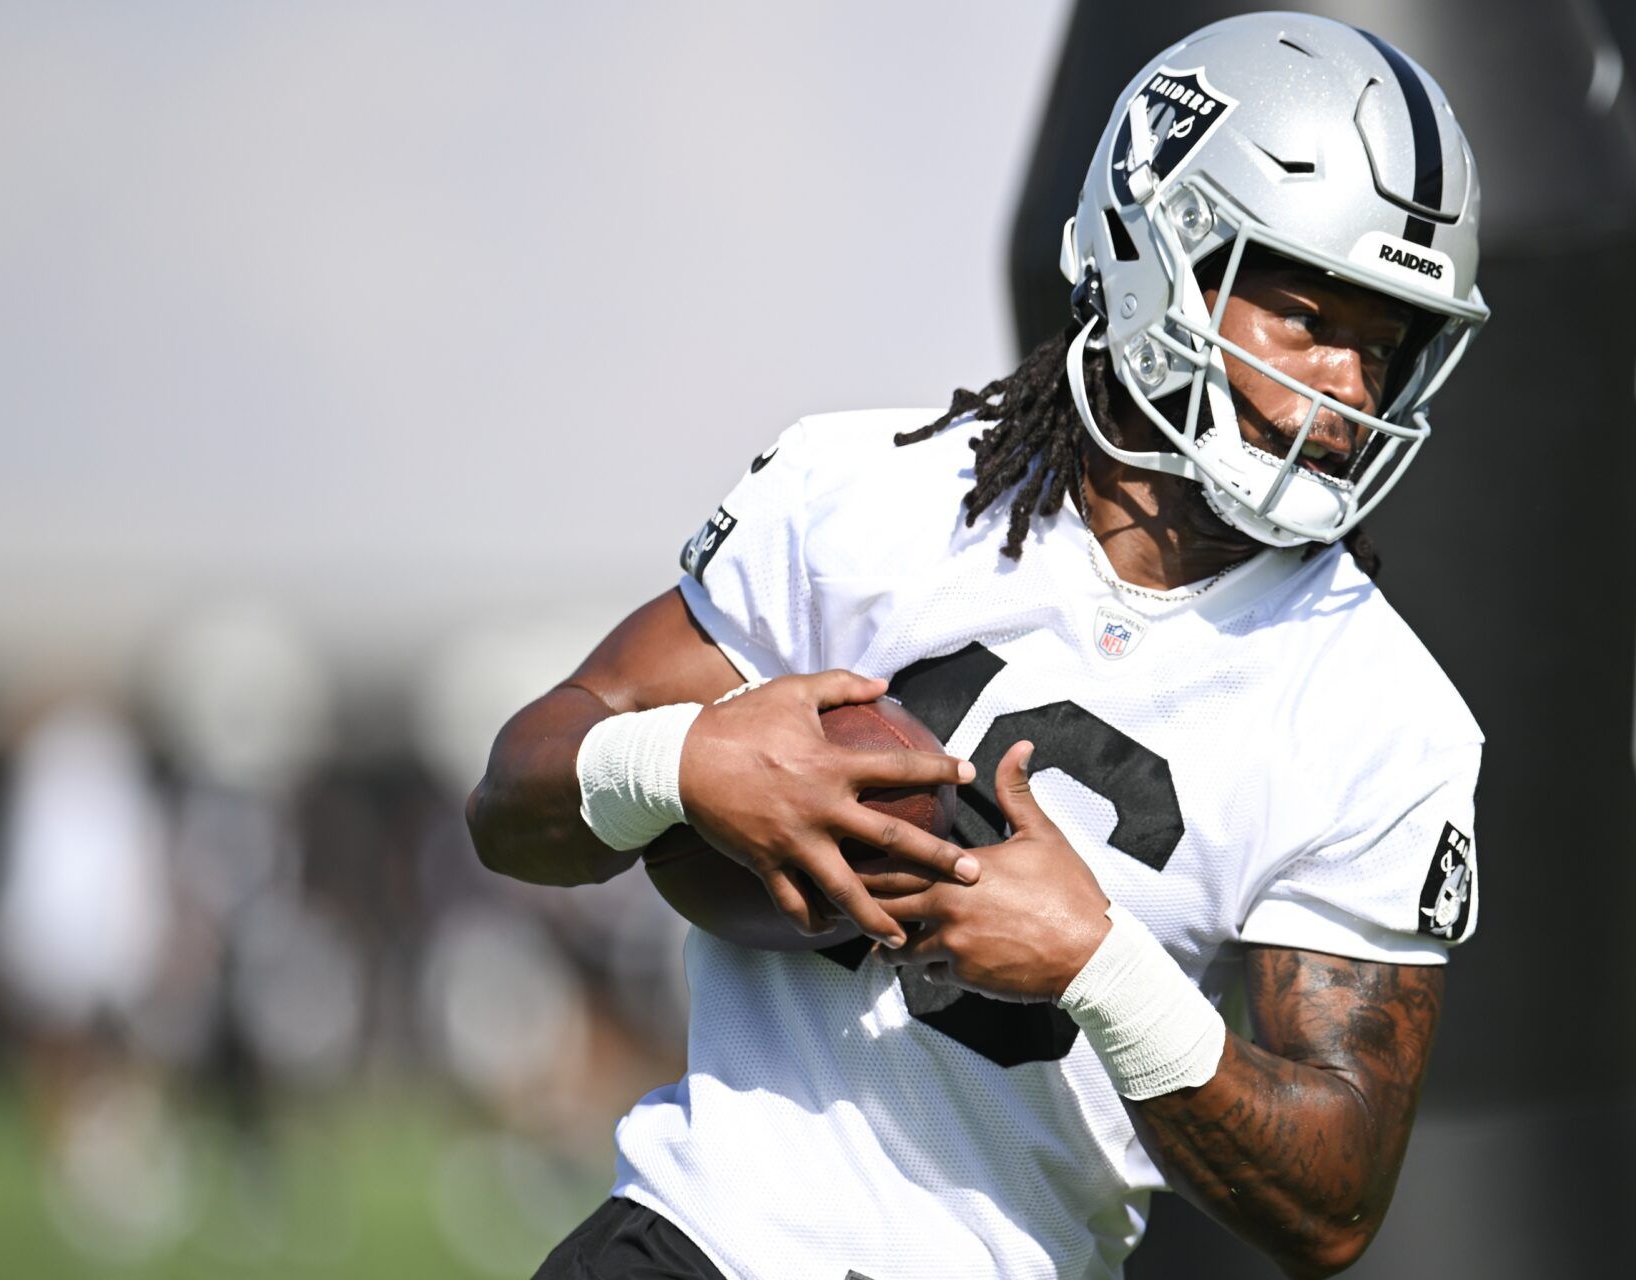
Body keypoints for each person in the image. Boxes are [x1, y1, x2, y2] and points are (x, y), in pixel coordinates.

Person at [470, 13, 1490, 1279]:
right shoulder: (862, 493)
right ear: (1158, 248)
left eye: (1385, 343)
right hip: (699, 1239)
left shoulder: (1382, 709)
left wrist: (1104, 967)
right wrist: (684, 765)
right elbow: (510, 800)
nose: (1347, 389)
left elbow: (1333, 1197)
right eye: (1305, 314)